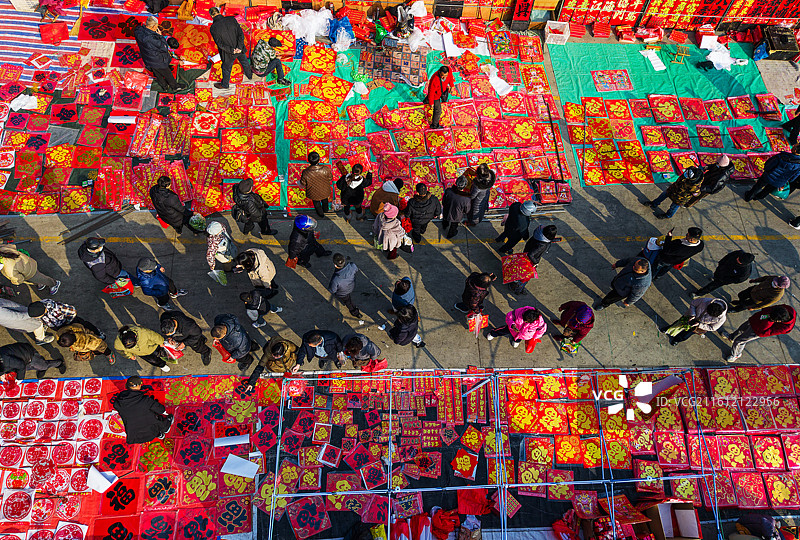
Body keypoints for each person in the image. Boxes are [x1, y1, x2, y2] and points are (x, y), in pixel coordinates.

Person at [723, 305, 796, 363]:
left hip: (757, 331)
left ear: (778, 321)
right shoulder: (788, 309)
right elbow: (769, 309)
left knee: (739, 341)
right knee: (741, 328)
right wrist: (761, 315)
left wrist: (768, 321)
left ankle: (735, 354)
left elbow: (767, 332)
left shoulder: (786, 328)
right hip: (755, 320)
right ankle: (731, 337)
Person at [113, 376, 173, 443]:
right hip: (150, 428)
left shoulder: (119, 401)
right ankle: (164, 429)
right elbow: (161, 409)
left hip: (134, 434)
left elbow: (115, 405)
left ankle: (159, 434)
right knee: (155, 418)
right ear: (139, 386)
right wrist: (165, 412)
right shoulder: (144, 400)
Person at [134, 17, 186, 92]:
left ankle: (164, 86)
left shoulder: (138, 30)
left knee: (157, 73)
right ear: (154, 27)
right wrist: (160, 36)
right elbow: (164, 47)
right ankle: (174, 86)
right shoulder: (153, 40)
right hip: (158, 60)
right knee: (168, 74)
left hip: (148, 58)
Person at [507, 224, 560, 295]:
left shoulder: (539, 232)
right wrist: (535, 263)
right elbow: (531, 255)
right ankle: (517, 289)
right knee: (525, 278)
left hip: (526, 252)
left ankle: (516, 285)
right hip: (530, 261)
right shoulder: (542, 245)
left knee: (521, 273)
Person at [208, 6, 253, 90]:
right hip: (239, 48)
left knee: (226, 68)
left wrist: (232, 50)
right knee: (244, 62)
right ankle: (249, 75)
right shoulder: (232, 19)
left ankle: (225, 84)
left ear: (211, 16)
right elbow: (241, 34)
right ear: (219, 12)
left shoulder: (213, 28)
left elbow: (220, 44)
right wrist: (239, 47)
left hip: (227, 53)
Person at [26, 299, 103, 336]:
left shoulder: (58, 308)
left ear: (43, 312)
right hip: (57, 326)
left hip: (71, 321)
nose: (36, 318)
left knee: (85, 325)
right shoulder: (38, 307)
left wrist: (69, 323)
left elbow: (73, 311)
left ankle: (98, 333)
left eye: (37, 317)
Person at [0, 342, 65, 380]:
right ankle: (41, 369)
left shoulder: (5, 360)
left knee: (43, 365)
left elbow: (21, 365)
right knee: (28, 368)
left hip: (28, 354)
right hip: (19, 360)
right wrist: (2, 374)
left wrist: (19, 379)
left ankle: (59, 363)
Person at [300, 152, 333, 218]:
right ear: (319, 160)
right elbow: (330, 178)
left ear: (309, 161)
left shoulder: (305, 172)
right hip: (325, 191)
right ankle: (326, 210)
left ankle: (321, 214)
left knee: (316, 203)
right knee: (325, 201)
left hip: (313, 193)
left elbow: (303, 183)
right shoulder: (326, 169)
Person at [328, 253, 361, 318]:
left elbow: (332, 290)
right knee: (348, 300)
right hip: (351, 286)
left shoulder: (336, 279)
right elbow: (356, 270)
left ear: (335, 265)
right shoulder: (352, 265)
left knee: (348, 302)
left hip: (343, 293)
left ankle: (355, 312)